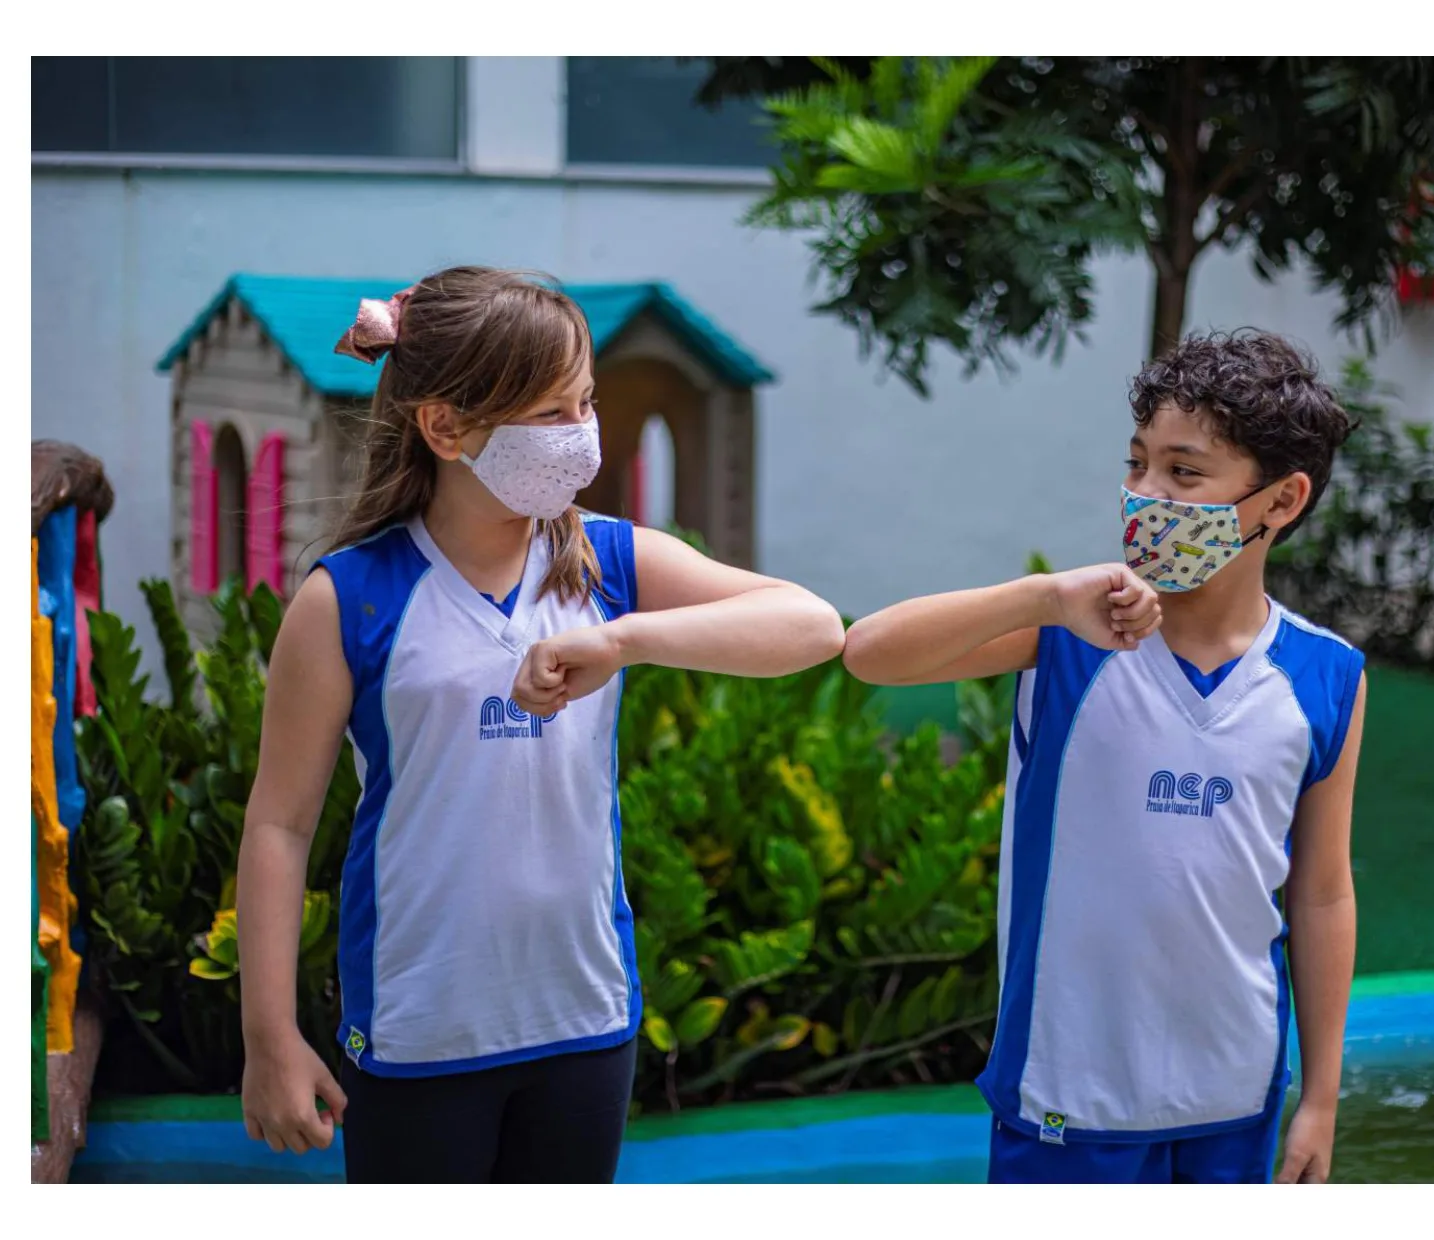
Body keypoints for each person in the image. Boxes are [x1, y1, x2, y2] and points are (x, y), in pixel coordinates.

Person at [234, 266, 846, 1183]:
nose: (583, 436)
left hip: (585, 1022)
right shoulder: (346, 600)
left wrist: (625, 640)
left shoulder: (610, 563)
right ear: (445, 426)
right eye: (553, 414)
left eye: (586, 403)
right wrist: (268, 1038)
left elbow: (813, 627)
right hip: (417, 1028)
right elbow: (279, 828)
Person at [842, 330, 1366, 1184]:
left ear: (1280, 500)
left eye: (1182, 473)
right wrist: (1044, 595)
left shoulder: (1327, 674)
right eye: (1137, 464)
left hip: (1235, 1094)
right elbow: (868, 652)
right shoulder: (1062, 636)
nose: (1144, 494)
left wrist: (1321, 1097)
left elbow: (1321, 890)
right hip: (1066, 1092)